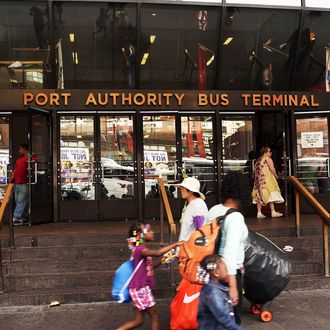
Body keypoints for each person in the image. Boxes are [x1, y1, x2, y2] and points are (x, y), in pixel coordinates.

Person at [116, 223, 183, 330]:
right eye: (148, 230)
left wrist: (161, 262)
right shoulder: (140, 249)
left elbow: (148, 268)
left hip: (138, 288)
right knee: (155, 316)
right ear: (140, 235)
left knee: (138, 321)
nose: (152, 232)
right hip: (141, 289)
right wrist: (176, 244)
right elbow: (157, 252)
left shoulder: (141, 249)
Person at [207, 171, 250, 325]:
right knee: (232, 321)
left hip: (211, 272)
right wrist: (232, 286)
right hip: (228, 275)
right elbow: (230, 254)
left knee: (215, 320)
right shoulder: (236, 218)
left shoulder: (213, 210)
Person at [197, 254, 242, 330]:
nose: (228, 273)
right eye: (225, 269)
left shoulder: (216, 290)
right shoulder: (213, 293)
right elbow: (223, 317)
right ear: (216, 273)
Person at [252, 146, 284, 218]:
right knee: (271, 194)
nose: (271, 153)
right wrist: (276, 176)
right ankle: (273, 211)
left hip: (258, 181)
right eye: (269, 151)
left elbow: (254, 171)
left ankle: (259, 212)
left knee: (259, 195)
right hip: (267, 179)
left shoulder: (258, 160)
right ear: (265, 152)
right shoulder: (268, 159)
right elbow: (272, 169)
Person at [177, 177, 208, 242]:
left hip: (191, 249)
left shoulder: (197, 204)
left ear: (190, 190)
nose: (181, 190)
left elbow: (200, 230)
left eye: (183, 188)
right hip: (186, 248)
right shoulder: (192, 203)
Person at [10, 144, 31, 225]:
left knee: (21, 201)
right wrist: (11, 180)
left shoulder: (28, 158)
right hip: (17, 183)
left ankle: (16, 217)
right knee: (19, 201)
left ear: (24, 149)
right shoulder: (19, 160)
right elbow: (15, 171)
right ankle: (22, 217)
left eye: (20, 149)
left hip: (24, 183)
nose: (19, 151)